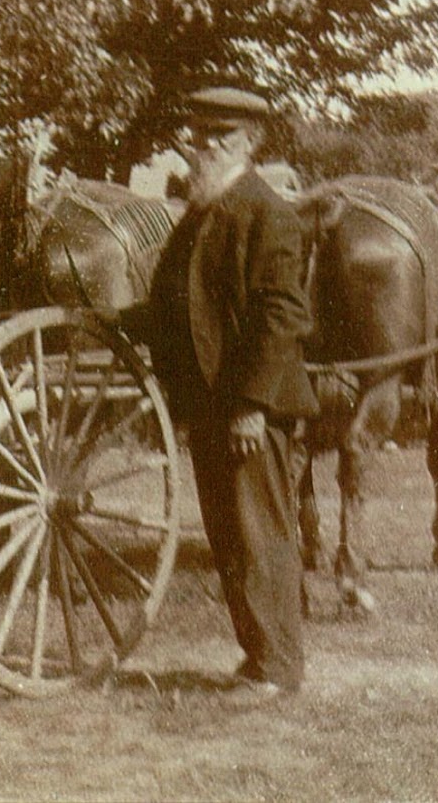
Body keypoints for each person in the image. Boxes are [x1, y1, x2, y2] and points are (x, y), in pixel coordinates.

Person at [121, 85, 317, 702]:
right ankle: (258, 658)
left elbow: (281, 315)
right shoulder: (201, 214)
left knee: (261, 536)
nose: (200, 147)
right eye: (199, 134)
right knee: (230, 539)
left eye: (218, 137)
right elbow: (176, 308)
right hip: (208, 405)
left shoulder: (269, 215)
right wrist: (108, 322)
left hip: (249, 408)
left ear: (250, 144)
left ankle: (278, 668)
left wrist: (252, 407)